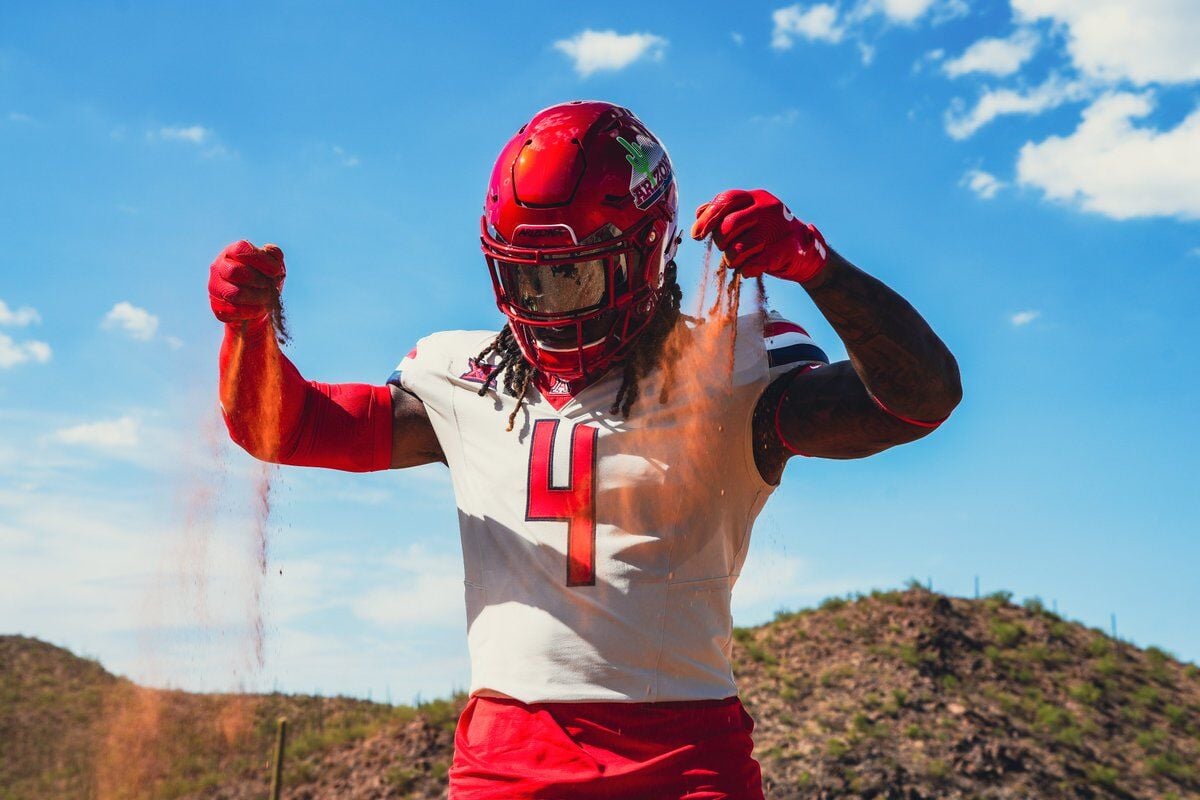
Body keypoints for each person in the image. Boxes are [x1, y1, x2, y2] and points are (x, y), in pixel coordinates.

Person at [209, 100, 961, 799]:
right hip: (506, 756)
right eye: (524, 276)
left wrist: (816, 267)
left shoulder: (729, 365)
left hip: (683, 759)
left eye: (571, 275)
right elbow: (285, 427)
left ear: (645, 254)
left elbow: (918, 401)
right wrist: (246, 332)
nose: (544, 303)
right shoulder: (462, 375)